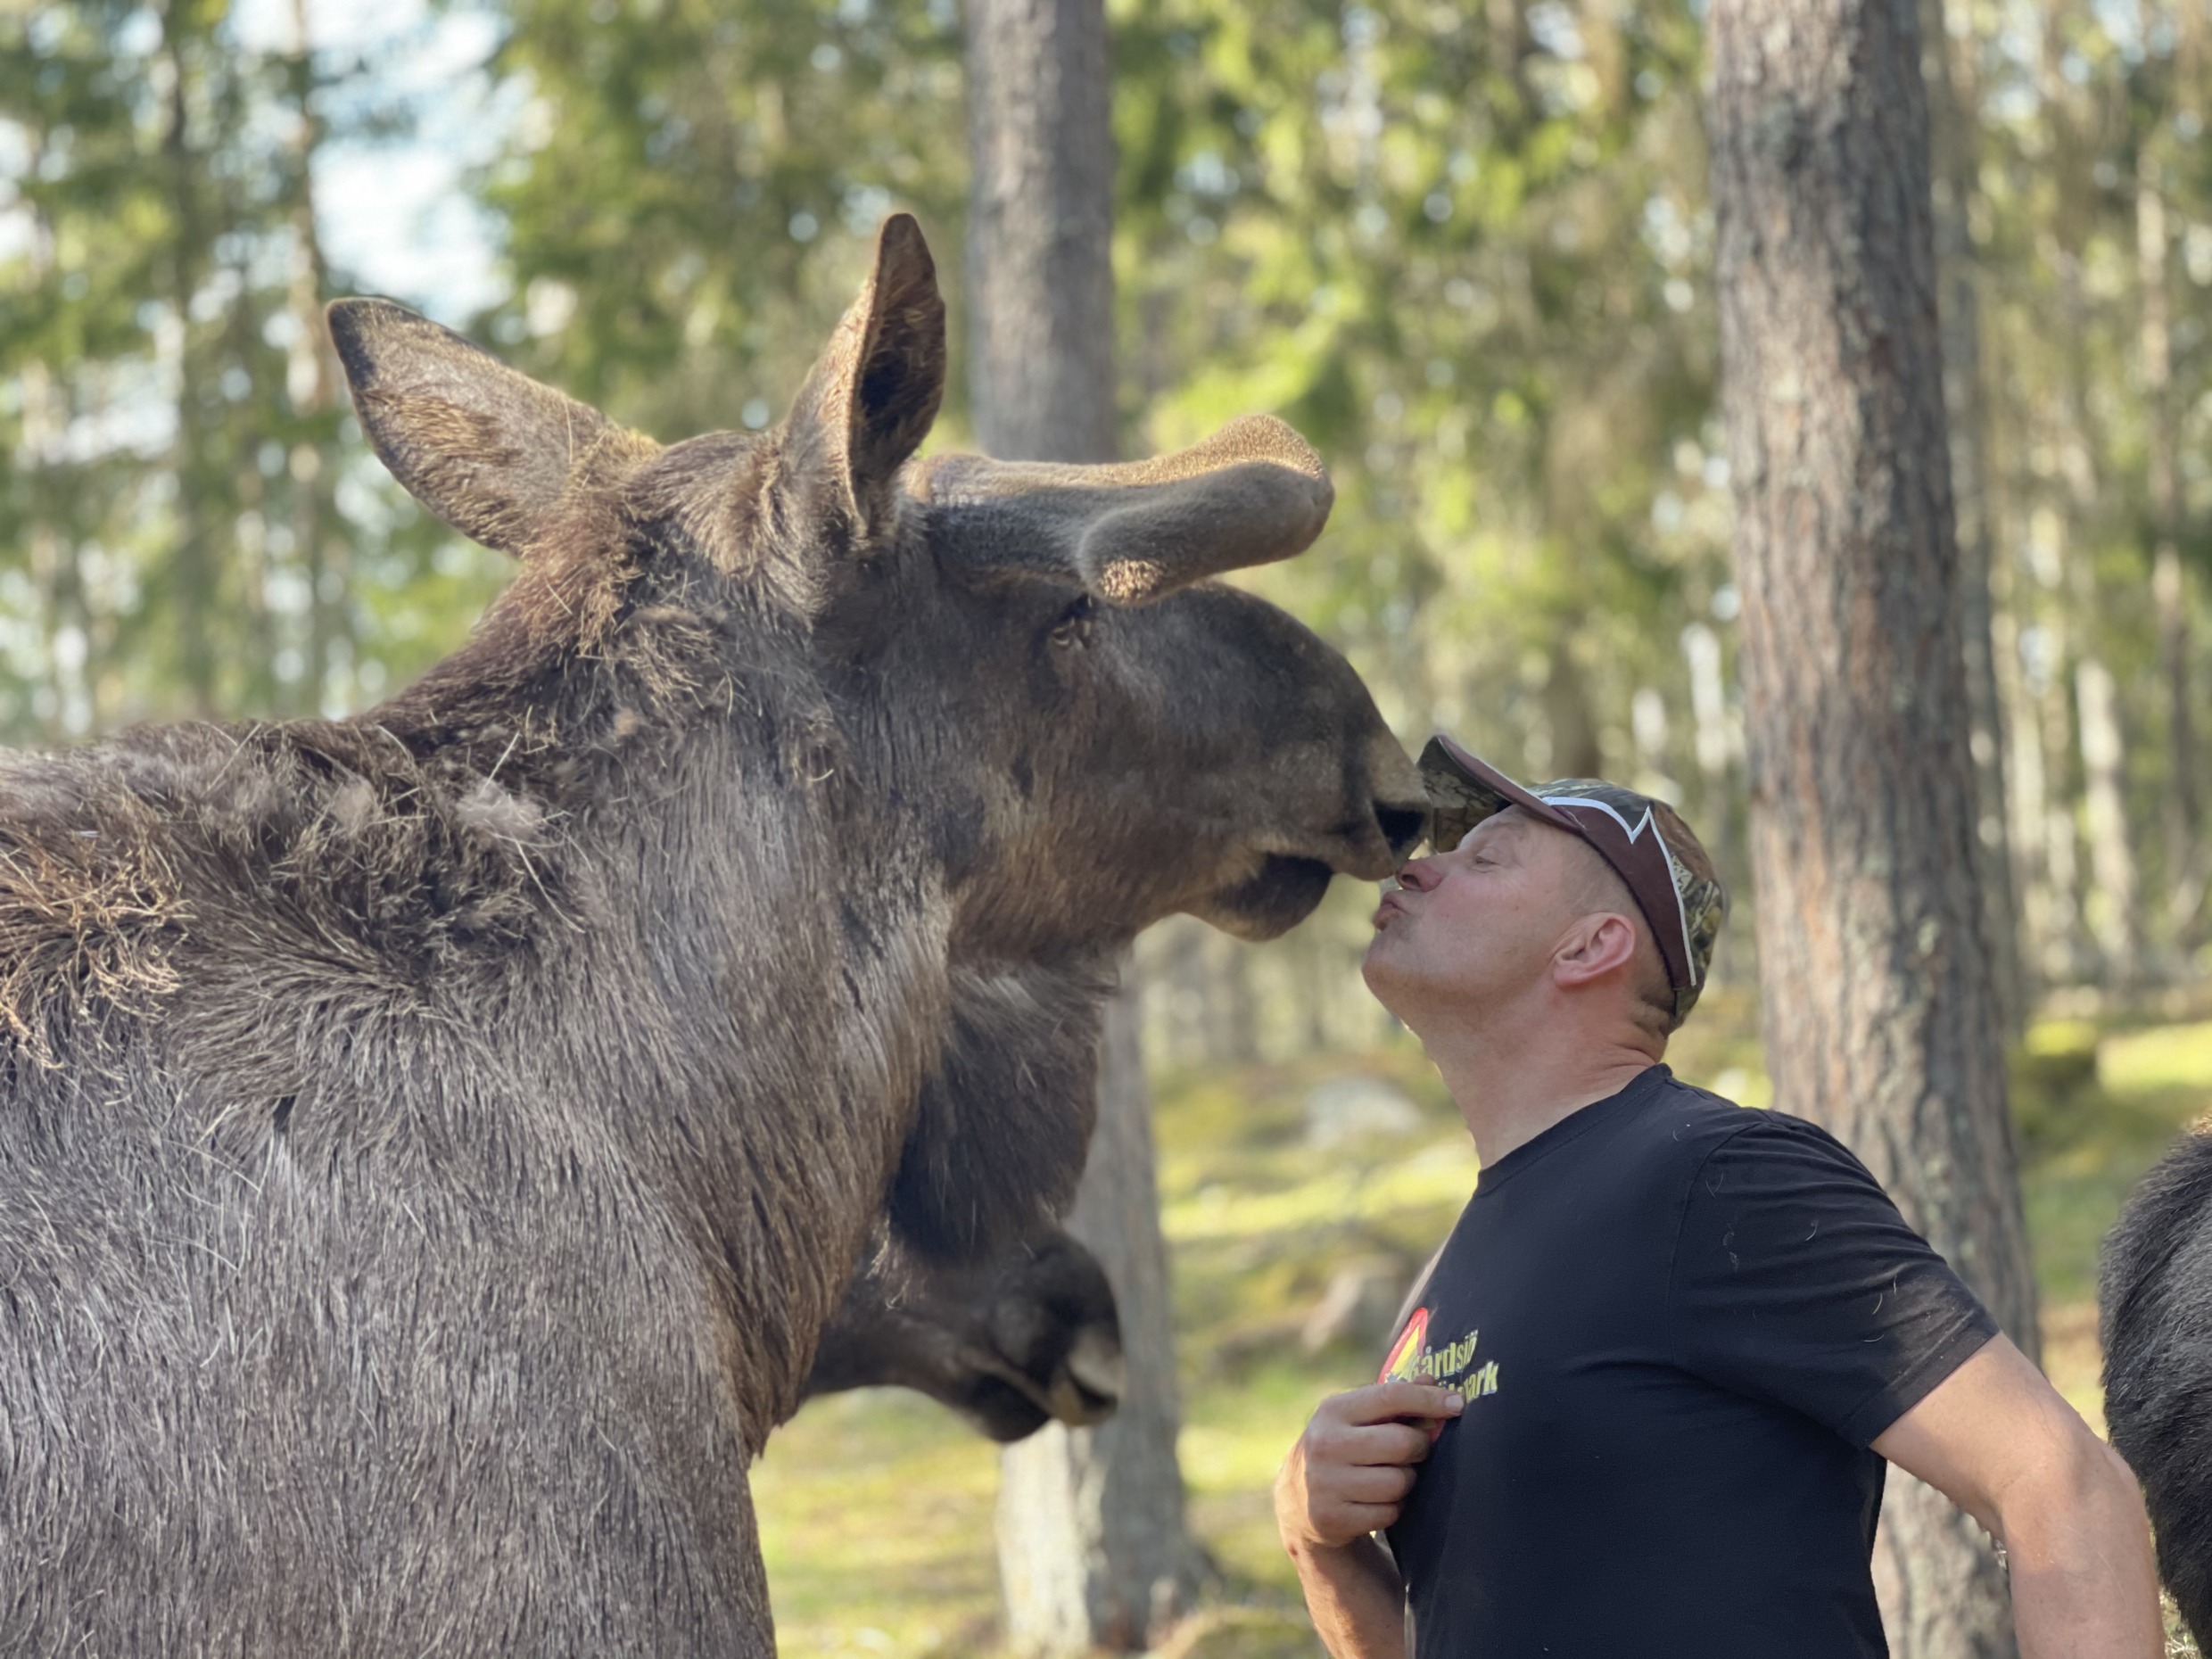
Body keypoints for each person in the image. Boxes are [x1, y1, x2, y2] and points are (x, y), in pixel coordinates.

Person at [1273, 735, 2161, 1658]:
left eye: (1483, 859)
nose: (1416, 871)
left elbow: (2060, 1482)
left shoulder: (1719, 1176)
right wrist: (1313, 1538)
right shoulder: (1441, 1282)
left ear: (1589, 947)